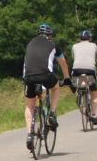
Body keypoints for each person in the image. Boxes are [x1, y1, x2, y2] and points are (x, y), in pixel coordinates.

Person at [22, 22, 70, 151]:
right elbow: (63, 64)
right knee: (55, 87)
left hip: (29, 77)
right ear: (50, 35)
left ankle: (29, 135)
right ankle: (52, 114)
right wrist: (67, 79)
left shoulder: (30, 43)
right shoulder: (54, 45)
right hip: (45, 75)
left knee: (29, 106)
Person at [69, 28, 97, 125]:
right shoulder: (94, 46)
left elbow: (74, 58)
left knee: (76, 83)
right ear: (90, 38)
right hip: (90, 70)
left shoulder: (74, 46)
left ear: (80, 38)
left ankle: (78, 94)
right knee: (94, 92)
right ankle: (93, 115)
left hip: (77, 70)